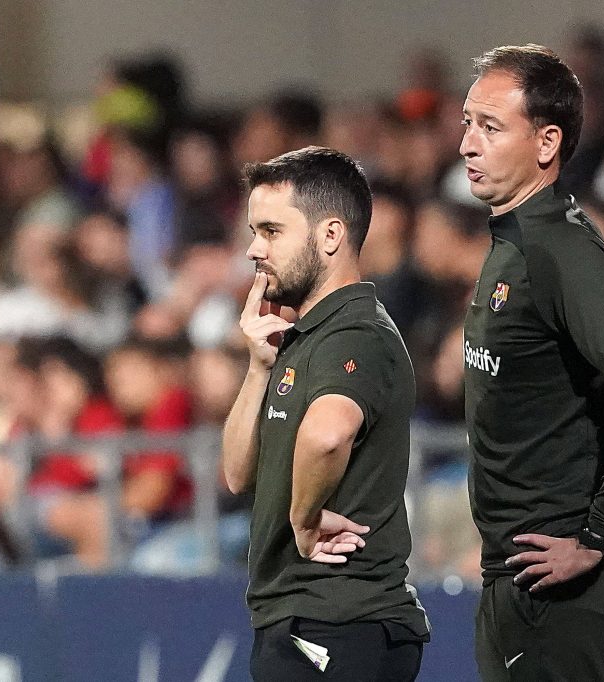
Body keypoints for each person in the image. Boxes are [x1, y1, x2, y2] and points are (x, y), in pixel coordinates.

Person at [459, 44, 604, 681]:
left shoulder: (559, 248)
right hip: (523, 572)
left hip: (561, 577)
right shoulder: (516, 242)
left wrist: (595, 536)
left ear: (546, 142)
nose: (467, 145)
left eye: (490, 127)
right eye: (467, 123)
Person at [221, 147, 429, 680]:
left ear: (330, 235)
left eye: (270, 231)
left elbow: (328, 435)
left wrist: (304, 519)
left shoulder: (354, 334)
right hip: (311, 619)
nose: (252, 249)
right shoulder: (300, 339)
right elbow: (237, 474)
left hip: (335, 619)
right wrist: (257, 369)